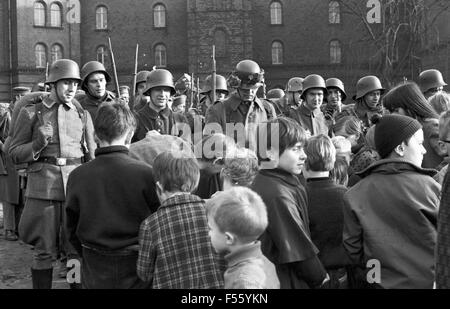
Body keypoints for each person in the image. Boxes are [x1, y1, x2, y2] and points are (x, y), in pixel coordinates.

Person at [8, 59, 97, 289]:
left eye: (75, 84)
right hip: (43, 189)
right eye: (66, 83)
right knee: (43, 251)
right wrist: (37, 144)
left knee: (74, 250)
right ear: (53, 84)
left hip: (74, 189)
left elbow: (91, 156)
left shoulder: (81, 114)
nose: (71, 89)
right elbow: (14, 153)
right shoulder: (31, 112)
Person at [65, 102, 159, 289]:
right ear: (131, 135)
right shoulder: (147, 174)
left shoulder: (77, 175)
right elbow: (158, 223)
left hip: (93, 265)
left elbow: (70, 230)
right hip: (138, 267)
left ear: (95, 135)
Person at [343, 114, 439, 289]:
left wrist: (378, 277)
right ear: (401, 148)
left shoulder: (354, 194)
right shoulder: (431, 188)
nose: (424, 150)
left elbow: (353, 250)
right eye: (419, 143)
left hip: (378, 283)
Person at [251, 117, 328, 289]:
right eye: (296, 149)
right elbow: (298, 251)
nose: (304, 155)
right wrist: (323, 279)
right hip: (285, 279)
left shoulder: (276, 180)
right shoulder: (277, 194)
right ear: (270, 152)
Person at [137, 151, 224, 288]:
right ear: (195, 183)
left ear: (159, 187)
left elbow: (144, 273)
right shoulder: (216, 213)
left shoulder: (150, 225)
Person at [205, 187, 280, 289]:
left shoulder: (245, 281)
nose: (209, 234)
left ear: (229, 238)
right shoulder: (263, 262)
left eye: (211, 229)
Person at [303, 134, 351, 288]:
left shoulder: (298, 197)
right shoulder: (347, 195)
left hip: (311, 275)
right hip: (342, 272)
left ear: (304, 162)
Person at [205, 59, 276, 148]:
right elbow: (210, 145)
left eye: (254, 88)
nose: (250, 92)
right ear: (237, 87)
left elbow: (274, 143)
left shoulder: (267, 109)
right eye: (245, 89)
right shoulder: (218, 109)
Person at [383, 81, 445, 169]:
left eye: (396, 110)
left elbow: (447, 158)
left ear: (410, 107)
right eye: (390, 111)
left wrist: (433, 176)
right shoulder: (406, 128)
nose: (392, 115)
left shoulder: (431, 126)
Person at [1, 86, 31, 241]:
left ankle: (19, 229)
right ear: (17, 98)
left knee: (20, 196)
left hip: (21, 161)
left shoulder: (23, 114)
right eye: (23, 98)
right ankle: (9, 229)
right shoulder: (7, 115)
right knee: (9, 197)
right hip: (8, 162)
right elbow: (6, 140)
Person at [132, 69, 188, 142]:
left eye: (166, 90)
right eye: (157, 90)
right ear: (149, 92)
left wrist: (163, 139)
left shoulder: (180, 119)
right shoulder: (136, 119)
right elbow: (128, 149)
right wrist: (144, 142)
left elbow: (187, 149)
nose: (162, 94)